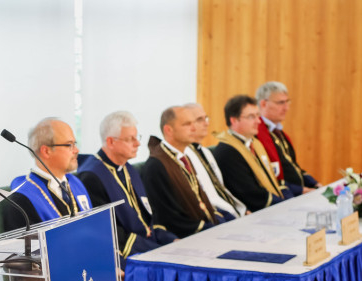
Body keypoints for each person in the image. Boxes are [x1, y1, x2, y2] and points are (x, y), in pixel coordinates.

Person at [76, 111, 177, 260]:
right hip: (127, 253)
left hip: (147, 243)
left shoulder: (127, 168)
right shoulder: (91, 176)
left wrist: (170, 240)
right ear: (111, 142)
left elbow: (148, 216)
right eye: (130, 139)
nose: (138, 143)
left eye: (137, 137)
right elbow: (107, 231)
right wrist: (159, 251)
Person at [141, 106, 224, 238]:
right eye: (187, 124)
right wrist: (208, 228)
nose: (194, 128)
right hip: (188, 237)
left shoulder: (183, 157)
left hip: (205, 227)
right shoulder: (156, 165)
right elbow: (168, 216)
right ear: (168, 130)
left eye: (193, 123)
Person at [3, 117, 92, 232]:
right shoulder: (21, 200)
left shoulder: (75, 183)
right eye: (69, 145)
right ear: (46, 151)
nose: (76, 150)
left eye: (74, 144)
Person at [212, 95, 293, 211]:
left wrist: (289, 199)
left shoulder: (255, 143)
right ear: (234, 120)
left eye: (257, 115)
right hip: (254, 213)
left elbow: (271, 179)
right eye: (251, 117)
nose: (258, 121)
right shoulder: (227, 152)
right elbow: (250, 194)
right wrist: (285, 205)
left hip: (269, 206)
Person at [183, 103, 248, 218]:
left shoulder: (205, 151)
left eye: (206, 118)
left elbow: (220, 188)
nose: (206, 123)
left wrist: (242, 211)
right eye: (200, 119)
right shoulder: (185, 156)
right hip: (215, 215)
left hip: (229, 210)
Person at [255, 81, 320, 195]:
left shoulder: (278, 132)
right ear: (264, 104)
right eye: (281, 103)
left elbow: (293, 166)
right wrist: (302, 190)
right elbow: (267, 176)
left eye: (287, 102)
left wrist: (316, 184)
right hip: (282, 195)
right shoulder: (256, 133)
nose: (286, 108)